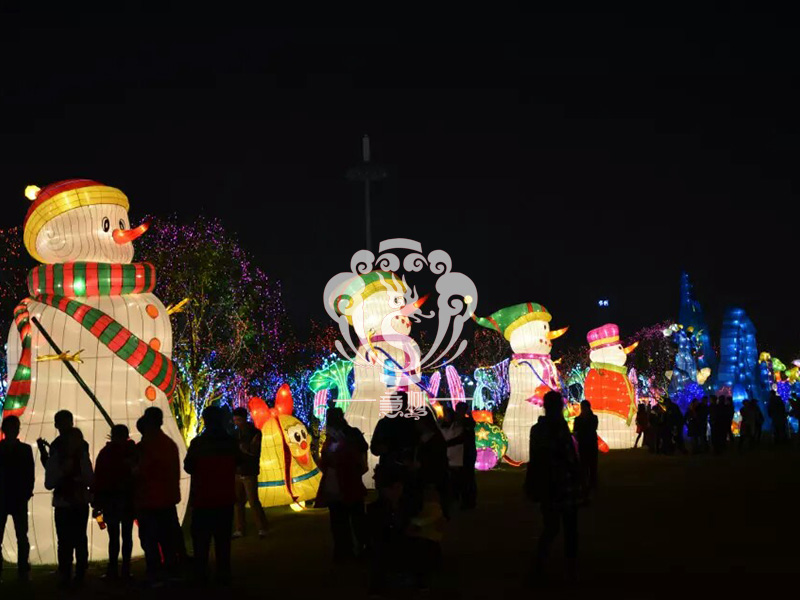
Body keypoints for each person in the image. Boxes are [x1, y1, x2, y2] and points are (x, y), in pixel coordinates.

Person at [525, 391, 583, 581]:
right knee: (569, 527)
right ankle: (570, 568)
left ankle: (539, 565)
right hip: (562, 484)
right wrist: (579, 476)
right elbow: (568, 456)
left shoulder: (537, 429)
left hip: (546, 485)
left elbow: (535, 458)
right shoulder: (559, 428)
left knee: (551, 526)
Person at [184, 405, 242, 585]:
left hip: (203, 498)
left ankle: (201, 574)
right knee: (223, 541)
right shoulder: (230, 443)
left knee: (201, 541)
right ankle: (223, 574)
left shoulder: (198, 444)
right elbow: (239, 462)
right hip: (224, 498)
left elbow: (188, 467)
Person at [136, 409, 182, 586]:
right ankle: (170, 568)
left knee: (150, 539)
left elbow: (142, 471)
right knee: (167, 538)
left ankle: (155, 571)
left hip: (149, 500)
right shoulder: (168, 444)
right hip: (167, 498)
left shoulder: (146, 447)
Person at [316, 407, 369, 561]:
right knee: (354, 516)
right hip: (347, 479)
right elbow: (363, 450)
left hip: (341, 479)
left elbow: (326, 460)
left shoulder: (337, 437)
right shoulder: (349, 434)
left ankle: (345, 550)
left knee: (341, 518)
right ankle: (357, 548)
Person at [44, 424, 93, 589]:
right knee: (70, 540)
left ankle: (76, 573)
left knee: (75, 539)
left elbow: (90, 478)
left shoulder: (80, 458)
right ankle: (69, 573)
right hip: (69, 504)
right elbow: (49, 483)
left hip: (73, 504)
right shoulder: (58, 459)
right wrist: (63, 473)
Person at [92, 424, 136, 580]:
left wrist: (97, 502)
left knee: (114, 536)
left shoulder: (106, 453)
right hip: (127, 499)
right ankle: (125, 569)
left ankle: (113, 569)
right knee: (126, 535)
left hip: (111, 499)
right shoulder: (131, 452)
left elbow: (99, 478)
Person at [0, 416, 34, 582]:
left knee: (21, 536)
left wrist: (26, 492)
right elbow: (29, 474)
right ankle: (22, 570)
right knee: (22, 536)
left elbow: (30, 475)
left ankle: (22, 569)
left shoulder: (24, 450)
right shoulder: (25, 450)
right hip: (14, 497)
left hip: (13, 497)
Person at [231, 406, 268, 539]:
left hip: (249, 471)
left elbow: (254, 451)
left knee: (253, 501)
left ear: (245, 419)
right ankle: (240, 528)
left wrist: (243, 449)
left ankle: (261, 527)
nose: (237, 423)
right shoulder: (235, 434)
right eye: (235, 420)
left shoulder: (254, 432)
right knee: (238, 502)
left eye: (239, 420)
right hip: (237, 471)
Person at [573, 400, 598, 493]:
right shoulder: (579, 419)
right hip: (585, 445)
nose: (583, 409)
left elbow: (591, 429)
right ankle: (586, 485)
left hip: (589, 444)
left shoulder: (593, 418)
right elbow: (576, 431)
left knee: (591, 466)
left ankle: (592, 484)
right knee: (584, 466)